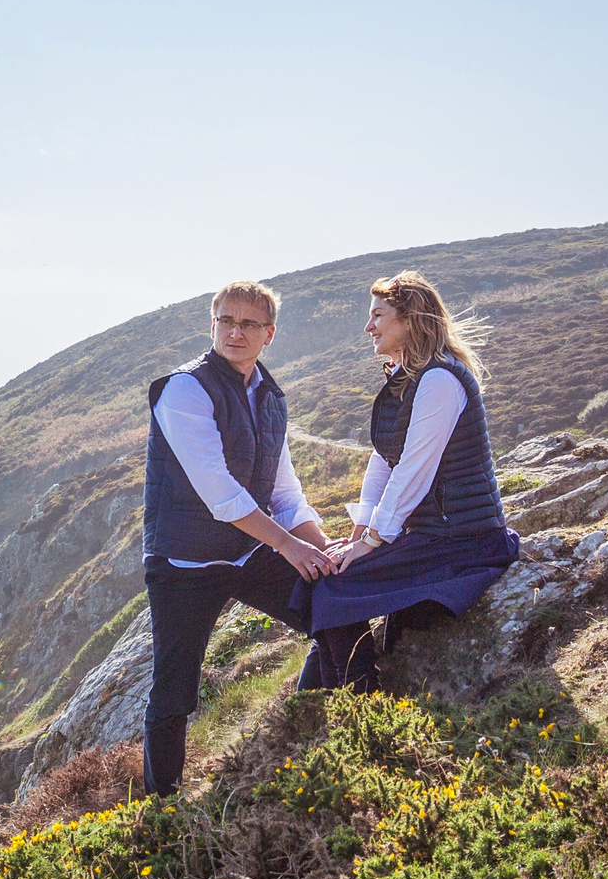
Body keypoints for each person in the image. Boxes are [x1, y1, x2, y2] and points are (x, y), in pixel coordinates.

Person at [138, 279, 335, 795]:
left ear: (269, 334)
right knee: (173, 692)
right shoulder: (184, 389)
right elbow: (219, 494)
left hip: (246, 551)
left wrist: (324, 548)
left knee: (337, 611)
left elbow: (284, 489)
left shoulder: (269, 396)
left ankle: (304, 741)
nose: (235, 332)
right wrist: (289, 547)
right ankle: (164, 807)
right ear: (212, 325)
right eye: (226, 320)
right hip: (183, 563)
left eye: (248, 324)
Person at [298, 270, 520, 690]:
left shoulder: (439, 380)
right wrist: (361, 530)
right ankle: (322, 702)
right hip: (432, 534)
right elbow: (384, 460)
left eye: (378, 315)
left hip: (463, 539)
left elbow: (414, 470)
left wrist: (374, 540)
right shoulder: (407, 379)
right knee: (328, 577)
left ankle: (356, 701)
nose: (368, 327)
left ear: (411, 319)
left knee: (334, 586)